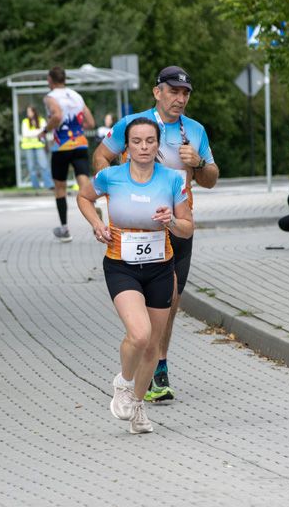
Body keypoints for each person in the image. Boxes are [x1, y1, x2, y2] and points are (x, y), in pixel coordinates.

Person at [93, 66, 218, 402]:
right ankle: (144, 352)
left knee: (171, 298)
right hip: (137, 230)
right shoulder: (135, 127)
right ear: (157, 92)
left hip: (177, 225)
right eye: (173, 91)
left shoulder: (195, 131)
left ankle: (157, 363)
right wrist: (118, 191)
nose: (179, 99)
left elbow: (211, 178)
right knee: (143, 302)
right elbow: (100, 156)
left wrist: (198, 164)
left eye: (185, 93)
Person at [78, 118, 193, 434]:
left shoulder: (172, 179)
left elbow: (188, 227)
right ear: (126, 146)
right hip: (121, 266)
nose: (144, 147)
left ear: (158, 145)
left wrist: (170, 221)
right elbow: (83, 197)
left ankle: (138, 406)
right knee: (140, 334)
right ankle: (124, 382)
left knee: (153, 345)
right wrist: (97, 224)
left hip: (160, 267)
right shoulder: (111, 177)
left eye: (150, 141)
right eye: (137, 141)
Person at [38, 66, 96, 242]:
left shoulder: (50, 97)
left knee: (60, 188)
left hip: (61, 147)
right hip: (80, 144)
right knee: (83, 181)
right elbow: (91, 122)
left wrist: (44, 130)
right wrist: (77, 129)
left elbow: (56, 116)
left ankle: (64, 230)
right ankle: (93, 208)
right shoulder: (76, 96)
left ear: (50, 80)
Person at [21, 106, 54, 190]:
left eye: (29, 111)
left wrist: (33, 133)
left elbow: (44, 131)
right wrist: (37, 132)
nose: (28, 113)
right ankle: (36, 186)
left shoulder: (41, 120)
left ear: (34, 112)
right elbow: (25, 134)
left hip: (39, 146)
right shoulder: (25, 122)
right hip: (28, 147)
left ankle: (49, 185)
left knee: (44, 165)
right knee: (31, 167)